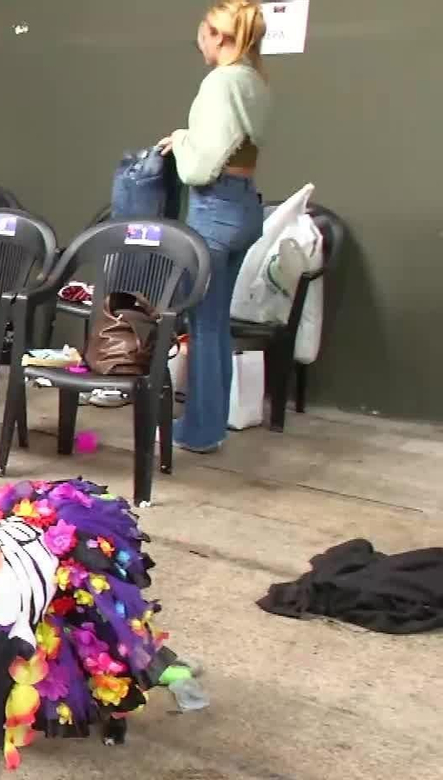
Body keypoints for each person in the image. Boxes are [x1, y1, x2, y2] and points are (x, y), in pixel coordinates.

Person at [158, 0, 270, 454]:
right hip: (246, 207)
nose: (199, 40)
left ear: (218, 36)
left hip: (215, 208)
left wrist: (181, 139)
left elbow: (199, 169)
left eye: (203, 32)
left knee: (202, 324)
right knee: (216, 323)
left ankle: (200, 431)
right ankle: (214, 423)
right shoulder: (256, 81)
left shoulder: (221, 82)